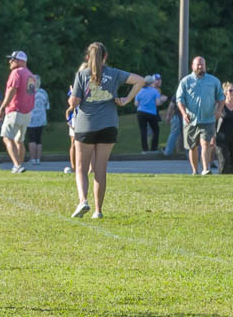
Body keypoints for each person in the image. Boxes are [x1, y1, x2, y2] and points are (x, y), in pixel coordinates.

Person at [67, 43, 140, 218]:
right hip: (109, 125)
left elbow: (74, 103)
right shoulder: (114, 73)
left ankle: (83, 201)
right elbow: (140, 80)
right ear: (105, 57)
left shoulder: (82, 75)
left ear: (88, 57)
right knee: (100, 169)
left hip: (86, 126)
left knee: (81, 168)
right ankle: (98, 211)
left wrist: (72, 96)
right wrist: (126, 99)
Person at [176, 56, 224, 175]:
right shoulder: (185, 81)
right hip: (190, 120)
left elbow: (221, 98)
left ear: (205, 66)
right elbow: (179, 99)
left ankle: (205, 169)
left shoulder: (213, 81)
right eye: (197, 64)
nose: (200, 66)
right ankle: (194, 170)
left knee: (205, 144)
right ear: (192, 66)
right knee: (192, 147)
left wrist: (218, 110)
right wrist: (183, 113)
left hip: (208, 119)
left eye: (202, 64)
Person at [0, 51, 36, 174]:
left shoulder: (16, 72)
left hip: (15, 109)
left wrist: (2, 108)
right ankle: (20, 165)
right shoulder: (31, 75)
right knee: (20, 140)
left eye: (12, 59)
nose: (10, 62)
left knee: (7, 137)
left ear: (20, 61)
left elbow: (12, 91)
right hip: (27, 111)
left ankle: (17, 165)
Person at [133, 75, 164, 151]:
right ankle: (154, 149)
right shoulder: (155, 91)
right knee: (155, 130)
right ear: (152, 82)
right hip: (151, 113)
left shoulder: (139, 91)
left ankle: (145, 150)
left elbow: (136, 104)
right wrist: (162, 100)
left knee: (143, 131)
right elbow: (157, 103)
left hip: (140, 113)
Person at [26, 75, 49, 166]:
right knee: (38, 140)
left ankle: (32, 159)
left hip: (30, 119)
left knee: (32, 139)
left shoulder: (29, 93)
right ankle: (38, 159)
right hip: (41, 119)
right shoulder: (44, 93)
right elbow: (47, 106)